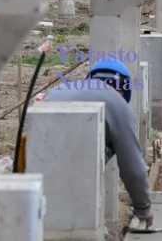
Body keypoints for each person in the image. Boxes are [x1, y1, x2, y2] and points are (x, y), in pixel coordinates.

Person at [43, 58, 154, 229]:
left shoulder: (59, 90)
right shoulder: (119, 105)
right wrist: (143, 208)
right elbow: (133, 168)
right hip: (78, 182)